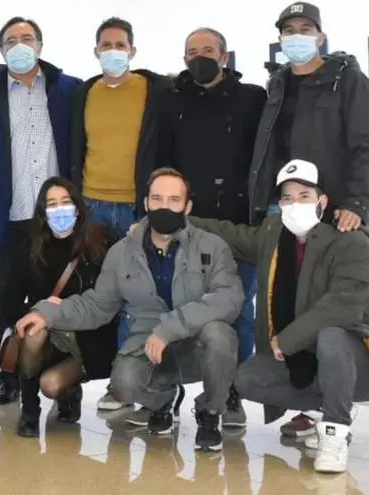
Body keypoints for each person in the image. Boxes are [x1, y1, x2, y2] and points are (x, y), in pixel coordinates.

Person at [17, 168, 243, 452]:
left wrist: (169, 329)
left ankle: (209, 414)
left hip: (196, 344)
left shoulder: (212, 246)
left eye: (174, 200)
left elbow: (229, 299)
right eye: (157, 199)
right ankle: (163, 401)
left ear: (187, 207)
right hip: (148, 345)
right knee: (122, 384)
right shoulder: (121, 252)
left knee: (220, 335)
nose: (164, 207)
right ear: (146, 203)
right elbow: (97, 305)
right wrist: (46, 313)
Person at [188, 159, 369, 473]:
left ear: (323, 201)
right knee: (247, 379)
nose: (294, 204)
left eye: (304, 196)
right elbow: (233, 235)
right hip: (303, 358)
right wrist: (181, 222)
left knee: (332, 335)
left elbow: (342, 306)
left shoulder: (350, 239)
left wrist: (287, 340)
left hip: (353, 359)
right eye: (287, 198)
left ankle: (335, 432)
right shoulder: (274, 233)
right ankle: (326, 407)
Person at [0, 16, 82, 406]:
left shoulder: (69, 89)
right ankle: (10, 378)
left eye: (27, 38)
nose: (20, 45)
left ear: (40, 45)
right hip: (8, 218)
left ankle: (65, 385)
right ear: (2, 51)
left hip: (58, 220)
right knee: (8, 300)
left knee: (58, 300)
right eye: (11, 40)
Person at [156, 27, 267, 428]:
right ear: (184, 58)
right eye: (192, 51)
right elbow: (160, 158)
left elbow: (263, 157)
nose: (199, 56)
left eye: (208, 49)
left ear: (224, 56)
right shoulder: (170, 100)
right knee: (176, 306)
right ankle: (167, 392)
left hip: (239, 226)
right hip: (187, 226)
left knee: (238, 312)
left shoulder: (252, 98)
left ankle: (231, 392)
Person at [69, 17, 173, 411]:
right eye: (106, 45)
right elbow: (77, 147)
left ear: (132, 50)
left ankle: (138, 387)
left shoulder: (154, 90)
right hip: (92, 206)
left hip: (137, 207)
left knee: (141, 298)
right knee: (97, 294)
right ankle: (102, 381)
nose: (113, 51)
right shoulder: (84, 93)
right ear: (95, 51)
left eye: (120, 45)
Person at [9, 177, 119, 437]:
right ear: (43, 213)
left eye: (65, 202)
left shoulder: (102, 241)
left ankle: (69, 391)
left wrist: (64, 307)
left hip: (88, 338)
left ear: (78, 208)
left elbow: (109, 299)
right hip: (48, 338)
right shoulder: (28, 248)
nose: (60, 210)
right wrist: (41, 309)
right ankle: (30, 409)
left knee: (51, 385)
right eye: (52, 204)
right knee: (33, 330)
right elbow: (10, 303)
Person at [250, 2, 369, 234]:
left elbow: (365, 144)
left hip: (330, 208)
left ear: (320, 38)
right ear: (281, 39)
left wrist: (356, 202)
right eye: (289, 31)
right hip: (281, 205)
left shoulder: (347, 79)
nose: (297, 36)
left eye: (305, 29)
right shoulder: (277, 84)